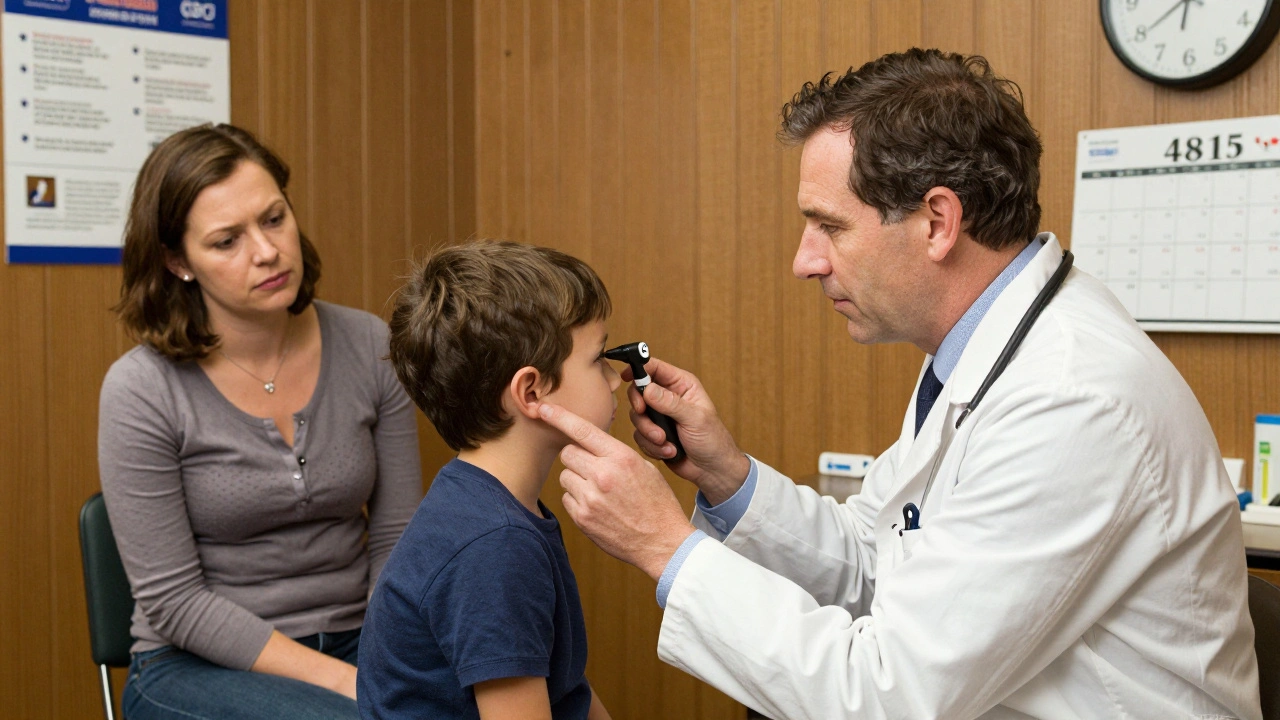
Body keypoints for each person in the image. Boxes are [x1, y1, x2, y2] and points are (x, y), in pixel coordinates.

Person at [536, 49, 1263, 720]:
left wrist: (664, 546)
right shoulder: (980, 348)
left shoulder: (1071, 402)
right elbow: (880, 552)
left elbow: (889, 695)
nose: (805, 262)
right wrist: (727, 477)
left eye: (829, 226)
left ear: (937, 222)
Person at [98, 123, 422, 720]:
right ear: (177, 262)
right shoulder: (141, 388)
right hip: (192, 665)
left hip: (361, 640)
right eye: (227, 241)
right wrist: (349, 685)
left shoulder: (370, 345)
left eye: (273, 219)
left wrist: (384, 661)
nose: (267, 251)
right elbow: (174, 601)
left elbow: (397, 538)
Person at [357, 240, 615, 720]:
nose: (618, 378)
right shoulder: (494, 546)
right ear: (531, 390)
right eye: (599, 358)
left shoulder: (490, 505)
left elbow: (566, 686)